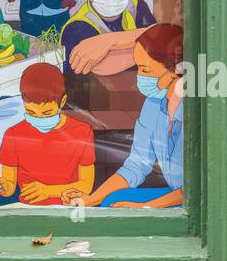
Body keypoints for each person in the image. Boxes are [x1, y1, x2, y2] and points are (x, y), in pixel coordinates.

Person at [65, 24, 183, 209]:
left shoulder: (197, 109)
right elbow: (136, 166)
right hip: (173, 195)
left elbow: (197, 188)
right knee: (111, 201)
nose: (140, 77)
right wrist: (90, 199)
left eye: (145, 70)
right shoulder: (153, 105)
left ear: (176, 68)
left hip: (195, 203)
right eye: (138, 68)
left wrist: (146, 208)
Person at [0, 62, 96, 206]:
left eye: (47, 113)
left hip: (68, 208)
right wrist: (1, 187)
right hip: (27, 209)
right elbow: (9, 186)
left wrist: (48, 191)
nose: (39, 118)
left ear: (62, 102)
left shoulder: (81, 131)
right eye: (31, 112)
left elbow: (86, 186)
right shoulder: (14, 134)